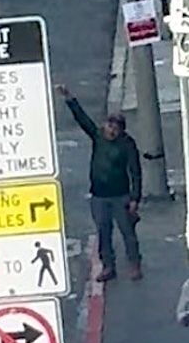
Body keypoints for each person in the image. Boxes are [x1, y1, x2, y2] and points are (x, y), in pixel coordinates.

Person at [56, 85, 142, 281]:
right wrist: (70, 99)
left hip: (121, 196)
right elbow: (82, 119)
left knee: (127, 232)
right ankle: (108, 267)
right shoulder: (97, 137)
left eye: (115, 128)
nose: (110, 130)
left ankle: (134, 264)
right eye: (109, 126)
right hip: (99, 196)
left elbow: (135, 172)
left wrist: (135, 197)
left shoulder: (127, 145)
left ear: (121, 130)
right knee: (103, 233)